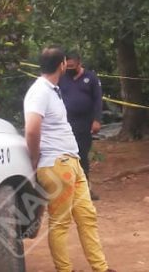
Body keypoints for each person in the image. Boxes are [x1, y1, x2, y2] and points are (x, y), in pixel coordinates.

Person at [24, 46, 116, 272]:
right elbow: (32, 130)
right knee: (60, 222)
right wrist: (35, 158)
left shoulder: (52, 89)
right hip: (57, 166)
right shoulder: (40, 92)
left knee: (87, 216)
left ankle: (101, 268)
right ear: (62, 64)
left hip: (71, 163)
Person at [60, 50, 104, 200]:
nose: (70, 69)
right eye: (68, 66)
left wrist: (97, 120)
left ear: (79, 62)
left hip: (84, 123)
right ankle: (67, 189)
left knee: (82, 156)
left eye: (73, 66)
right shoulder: (61, 77)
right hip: (65, 124)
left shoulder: (90, 78)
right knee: (65, 157)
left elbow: (98, 100)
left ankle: (84, 189)